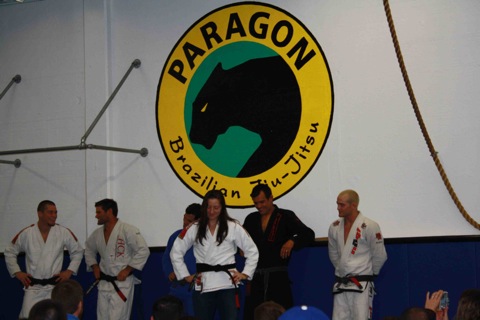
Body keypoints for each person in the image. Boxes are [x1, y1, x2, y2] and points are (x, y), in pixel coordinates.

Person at [170, 190, 259, 320]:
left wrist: (245, 273)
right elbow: (176, 251)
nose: (211, 211)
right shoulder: (194, 227)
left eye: (216, 207)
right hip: (203, 282)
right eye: (208, 207)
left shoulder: (233, 226)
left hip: (227, 282)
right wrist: (185, 276)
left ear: (222, 208)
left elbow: (252, 250)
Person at [243, 183, 315, 319]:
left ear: (271, 198)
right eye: (256, 203)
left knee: (281, 314)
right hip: (256, 276)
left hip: (278, 277)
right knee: (253, 314)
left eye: (262, 202)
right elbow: (240, 239)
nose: (259, 206)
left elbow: (308, 234)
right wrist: (240, 248)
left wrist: (292, 241)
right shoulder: (251, 219)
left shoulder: (285, 216)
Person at [4, 200, 84, 319]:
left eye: (55, 212)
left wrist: (69, 271)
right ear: (40, 214)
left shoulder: (63, 232)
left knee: (56, 317)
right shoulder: (28, 233)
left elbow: (78, 251)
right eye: (50, 212)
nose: (54, 215)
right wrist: (17, 272)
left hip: (54, 288)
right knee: (27, 316)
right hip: (33, 288)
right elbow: (10, 251)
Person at [84, 198, 150, 320]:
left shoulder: (128, 230)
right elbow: (88, 250)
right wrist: (94, 266)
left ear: (109, 211)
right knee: (101, 317)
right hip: (104, 282)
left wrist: (127, 269)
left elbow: (143, 250)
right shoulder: (97, 234)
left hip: (122, 284)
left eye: (99, 212)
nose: (96, 216)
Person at [328, 189, 387, 320]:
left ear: (353, 205)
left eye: (342, 205)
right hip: (341, 283)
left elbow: (380, 255)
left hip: (362, 284)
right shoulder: (334, 227)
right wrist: (343, 268)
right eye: (337, 204)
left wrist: (371, 274)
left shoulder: (369, 226)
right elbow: (333, 253)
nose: (338, 208)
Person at [163, 203, 201, 316]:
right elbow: (166, 257)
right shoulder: (175, 236)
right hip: (177, 287)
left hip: (195, 289)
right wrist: (169, 271)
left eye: (189, 221)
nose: (185, 223)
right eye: (184, 219)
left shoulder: (204, 238)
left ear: (198, 222)